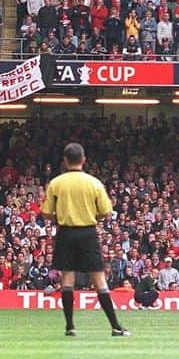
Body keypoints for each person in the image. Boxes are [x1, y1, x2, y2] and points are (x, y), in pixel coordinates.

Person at [41, 142, 129, 337]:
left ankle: (70, 326)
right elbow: (106, 211)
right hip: (88, 233)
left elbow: (46, 213)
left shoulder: (56, 183)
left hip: (65, 232)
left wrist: (60, 218)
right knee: (99, 280)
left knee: (67, 280)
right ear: (83, 160)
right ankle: (115, 326)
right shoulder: (94, 183)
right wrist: (92, 218)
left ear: (65, 161)